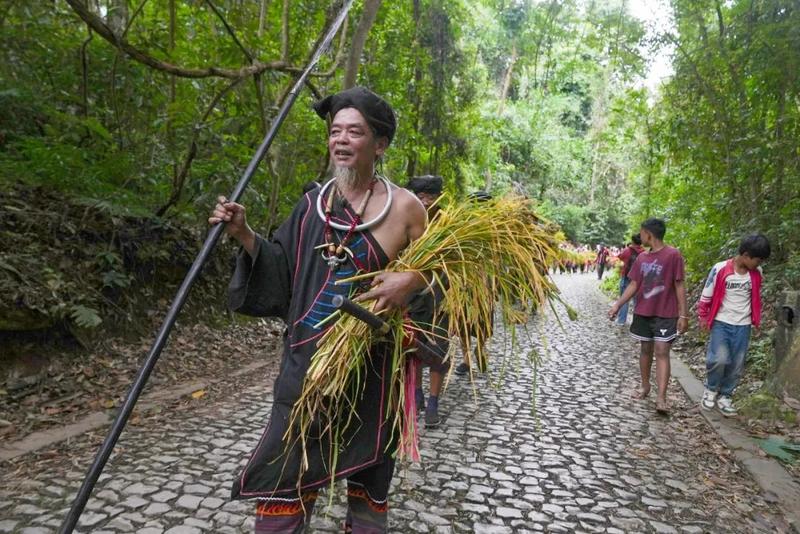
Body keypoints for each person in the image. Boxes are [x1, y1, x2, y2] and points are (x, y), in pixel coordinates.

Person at [209, 87, 432, 533]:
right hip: (306, 365)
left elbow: (441, 278)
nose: (341, 140)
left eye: (355, 131)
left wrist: (414, 280)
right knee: (282, 478)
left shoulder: (406, 207)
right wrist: (245, 234)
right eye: (335, 132)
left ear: (380, 144)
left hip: (371, 372)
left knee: (368, 491)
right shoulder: (312, 204)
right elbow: (281, 269)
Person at [608, 218, 688, 414]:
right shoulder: (642, 258)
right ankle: (645, 386)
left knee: (662, 351)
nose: (640, 235)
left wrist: (683, 315)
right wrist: (618, 304)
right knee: (646, 349)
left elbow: (679, 284)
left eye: (641, 232)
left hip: (665, 314)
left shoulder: (673, 255)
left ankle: (661, 398)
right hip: (644, 312)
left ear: (649, 234)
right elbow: (634, 285)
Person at [697, 234, 770, 416]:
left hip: (743, 324)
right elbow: (707, 292)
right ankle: (711, 389)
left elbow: (754, 296)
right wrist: (704, 316)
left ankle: (726, 395)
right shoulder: (721, 269)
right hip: (722, 321)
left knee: (737, 363)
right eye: (758, 259)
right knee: (718, 359)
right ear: (746, 255)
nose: (759, 264)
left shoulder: (756, 273)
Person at [405, 175, 450, 428]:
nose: (425, 202)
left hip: (442, 296)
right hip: (413, 297)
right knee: (414, 347)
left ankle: (433, 402)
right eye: (420, 197)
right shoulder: (407, 217)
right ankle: (417, 393)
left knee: (439, 349)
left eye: (430, 197)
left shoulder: (449, 223)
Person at [454, 190, 494, 376]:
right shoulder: (463, 226)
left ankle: (480, 347)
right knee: (463, 322)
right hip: (463, 281)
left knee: (483, 322)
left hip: (485, 282)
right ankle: (466, 359)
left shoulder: (496, 227)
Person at [615, 234, 645, 326]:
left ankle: (621, 320)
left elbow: (619, 256)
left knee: (624, 298)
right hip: (638, 279)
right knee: (637, 301)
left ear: (632, 241)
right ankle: (636, 322)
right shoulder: (644, 252)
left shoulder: (628, 250)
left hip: (627, 277)